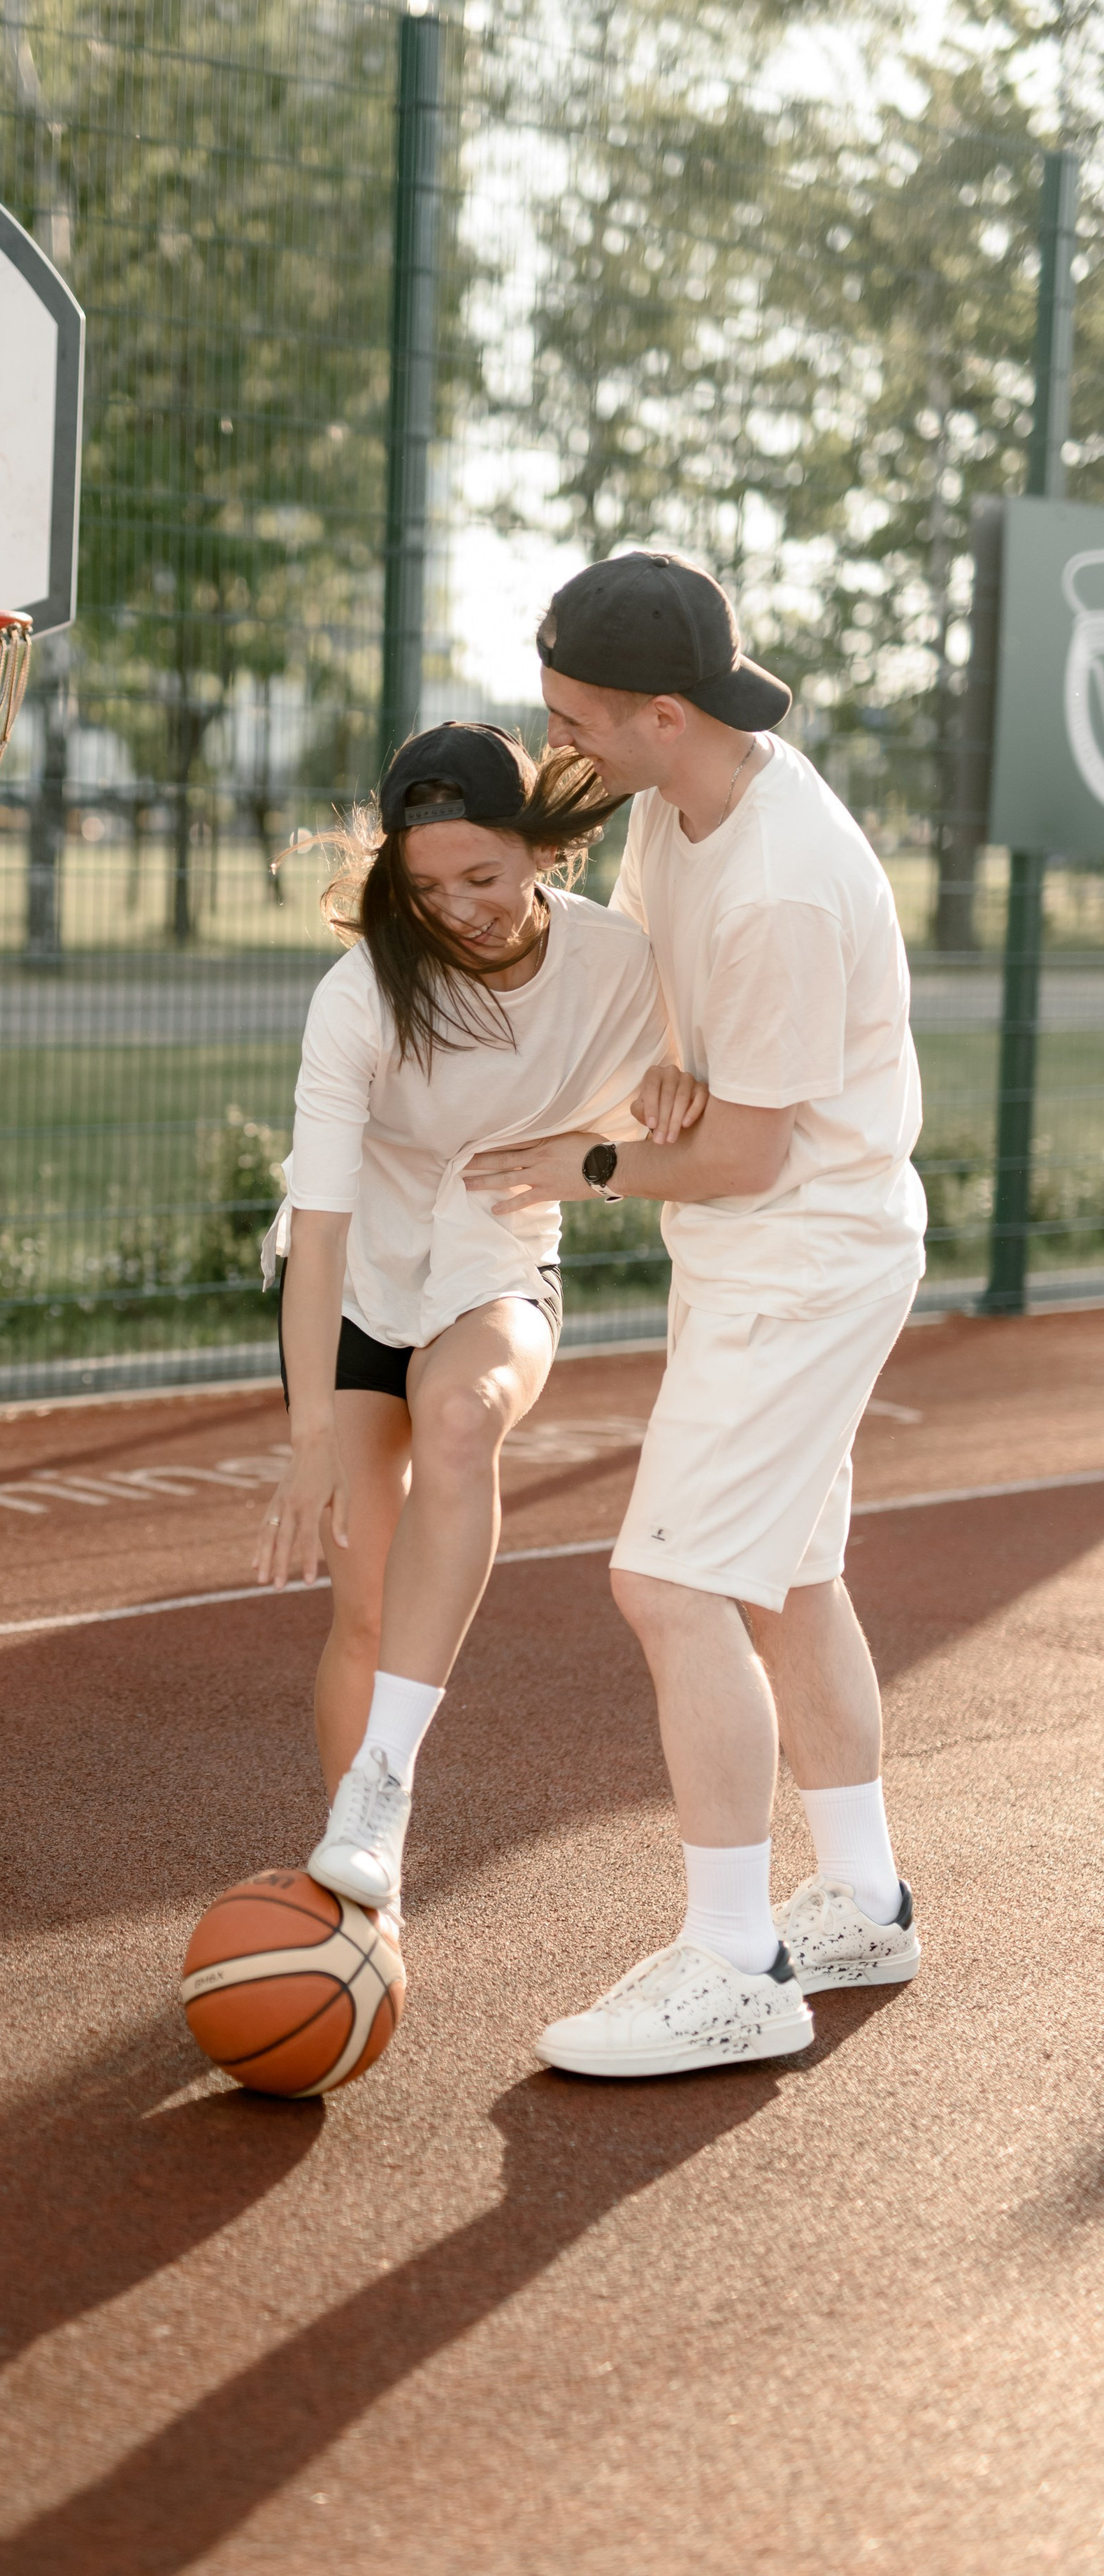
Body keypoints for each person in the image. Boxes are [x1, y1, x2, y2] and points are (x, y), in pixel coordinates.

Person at [466, 550, 926, 2078]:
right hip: (765, 1243)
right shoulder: (676, 807)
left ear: (664, 711)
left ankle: (735, 1964)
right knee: (786, 1577)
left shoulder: (784, 883)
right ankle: (859, 1901)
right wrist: (666, 1068)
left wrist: (591, 1159)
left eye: (574, 718)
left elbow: (741, 1153)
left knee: (668, 1586)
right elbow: (702, 1075)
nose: (559, 747)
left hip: (799, 1250)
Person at [255, 720, 678, 1922]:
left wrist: (642, 1114)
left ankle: (384, 1785)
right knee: (367, 1604)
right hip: (355, 1276)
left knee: (461, 1417)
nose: (459, 909)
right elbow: (322, 1229)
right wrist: (309, 1443)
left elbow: (700, 1092)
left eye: (483, 878)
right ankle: (361, 1895)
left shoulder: (620, 965)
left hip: (496, 1251)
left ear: (540, 850)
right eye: (427, 885)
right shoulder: (361, 996)